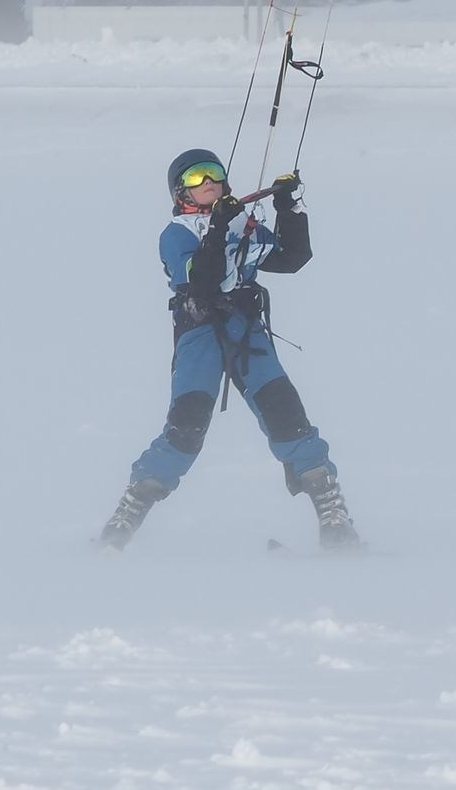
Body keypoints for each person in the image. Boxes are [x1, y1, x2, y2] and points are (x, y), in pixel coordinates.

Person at [98, 149, 359, 551]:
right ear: (180, 192)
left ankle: (332, 513)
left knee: (288, 417)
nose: (209, 183)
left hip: (246, 332)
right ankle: (126, 516)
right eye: (196, 178)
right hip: (200, 333)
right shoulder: (178, 234)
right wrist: (218, 229)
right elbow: (203, 282)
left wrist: (288, 207)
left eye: (214, 173)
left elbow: (292, 258)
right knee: (185, 430)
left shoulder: (240, 222)